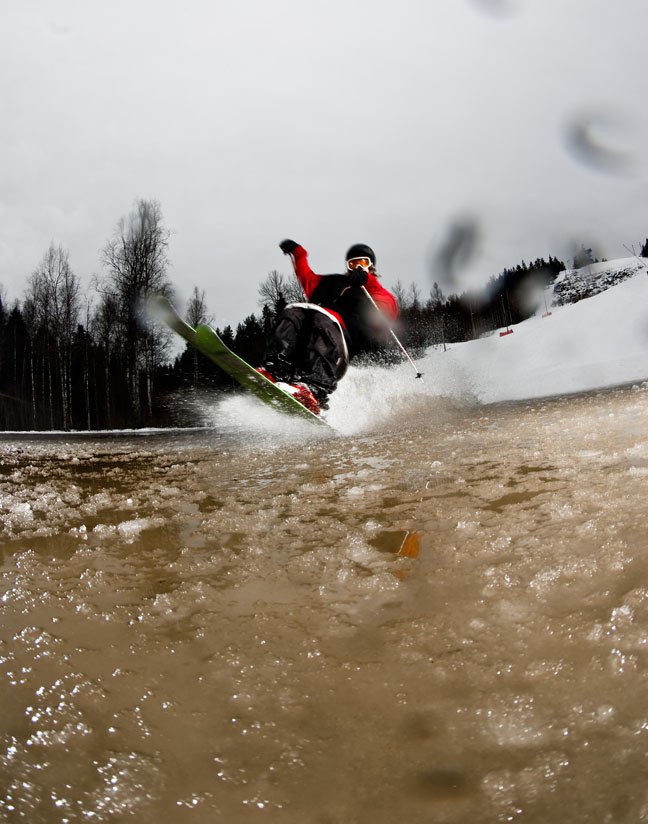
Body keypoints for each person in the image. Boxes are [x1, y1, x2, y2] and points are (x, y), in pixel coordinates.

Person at [258, 239, 399, 414]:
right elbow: (306, 276)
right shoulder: (331, 283)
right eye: (353, 263)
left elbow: (387, 312)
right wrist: (298, 253)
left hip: (336, 345)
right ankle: (275, 369)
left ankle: (313, 389)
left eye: (363, 263)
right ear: (347, 266)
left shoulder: (376, 293)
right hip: (306, 338)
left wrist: (367, 281)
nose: (358, 267)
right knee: (293, 312)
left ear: (371, 266)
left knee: (322, 320)